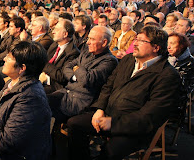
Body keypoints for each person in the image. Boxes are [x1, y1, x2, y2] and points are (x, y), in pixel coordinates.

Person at [67, 25, 180, 159]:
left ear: (156, 47)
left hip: (132, 128)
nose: (135, 43)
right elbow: (108, 86)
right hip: (108, 114)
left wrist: (113, 123)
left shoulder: (167, 75)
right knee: (74, 124)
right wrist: (100, 108)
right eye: (136, 39)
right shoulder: (128, 60)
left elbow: (149, 116)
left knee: (110, 151)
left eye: (141, 41)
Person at [48, 26, 118, 122]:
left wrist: (77, 69)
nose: (88, 42)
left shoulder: (109, 61)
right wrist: (75, 77)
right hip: (66, 92)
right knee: (37, 101)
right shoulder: (87, 53)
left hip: (79, 101)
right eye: (88, 38)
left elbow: (86, 79)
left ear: (104, 42)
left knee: (42, 108)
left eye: (92, 39)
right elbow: (67, 67)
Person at [42, 19, 80, 94]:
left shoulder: (73, 52)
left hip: (56, 88)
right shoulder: (54, 45)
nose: (53, 32)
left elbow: (62, 76)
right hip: (43, 80)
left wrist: (44, 64)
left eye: (57, 29)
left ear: (65, 34)